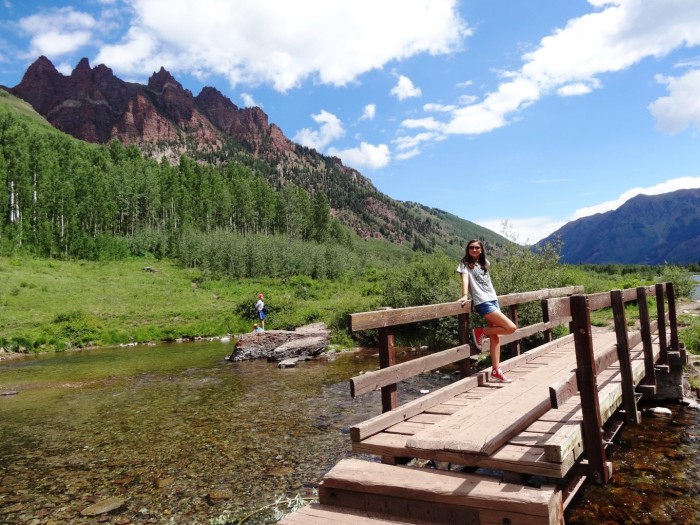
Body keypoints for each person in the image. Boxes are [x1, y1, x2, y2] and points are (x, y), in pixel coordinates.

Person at [457, 240, 517, 383]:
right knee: (511, 328)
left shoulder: (485, 263)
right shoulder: (464, 263)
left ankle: (496, 370)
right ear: (468, 249)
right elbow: (465, 279)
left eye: (477, 247)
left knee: (496, 335)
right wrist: (465, 295)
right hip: (482, 302)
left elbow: (487, 282)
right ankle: (480, 332)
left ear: (482, 249)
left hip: (493, 299)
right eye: (471, 247)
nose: (474, 249)